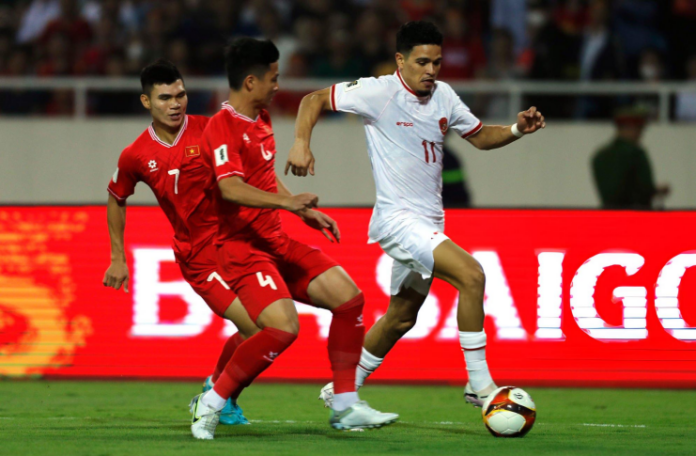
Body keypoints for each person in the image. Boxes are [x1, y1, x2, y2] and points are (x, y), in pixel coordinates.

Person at [285, 21, 546, 410]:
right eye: (422, 62)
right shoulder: (379, 91)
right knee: (472, 276)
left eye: (437, 62)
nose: (431, 70)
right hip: (398, 220)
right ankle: (480, 384)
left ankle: (342, 387)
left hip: (429, 221)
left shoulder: (444, 96)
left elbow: (480, 137)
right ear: (400, 60)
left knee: (401, 318)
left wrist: (515, 129)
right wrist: (301, 144)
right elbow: (313, 99)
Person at [189, 37, 398, 440]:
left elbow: (264, 180)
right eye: (273, 78)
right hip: (242, 249)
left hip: (275, 240)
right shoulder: (222, 126)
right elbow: (229, 188)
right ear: (250, 81)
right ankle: (210, 402)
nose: (278, 85)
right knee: (283, 328)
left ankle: (344, 405)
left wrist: (301, 209)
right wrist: (286, 205)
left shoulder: (262, 118)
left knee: (349, 297)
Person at [103, 59, 263, 427]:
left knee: (263, 328)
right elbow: (116, 197)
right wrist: (117, 257)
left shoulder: (210, 130)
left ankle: (219, 395)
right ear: (147, 102)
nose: (176, 104)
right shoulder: (136, 154)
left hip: (236, 247)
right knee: (259, 329)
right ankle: (215, 394)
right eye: (165, 98)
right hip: (199, 259)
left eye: (181, 94)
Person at [592, 106, 670, 209]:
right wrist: (658, 190)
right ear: (631, 127)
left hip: (609, 215)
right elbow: (644, 188)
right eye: (640, 129)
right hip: (636, 215)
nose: (641, 134)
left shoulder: (599, 156)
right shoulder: (636, 153)